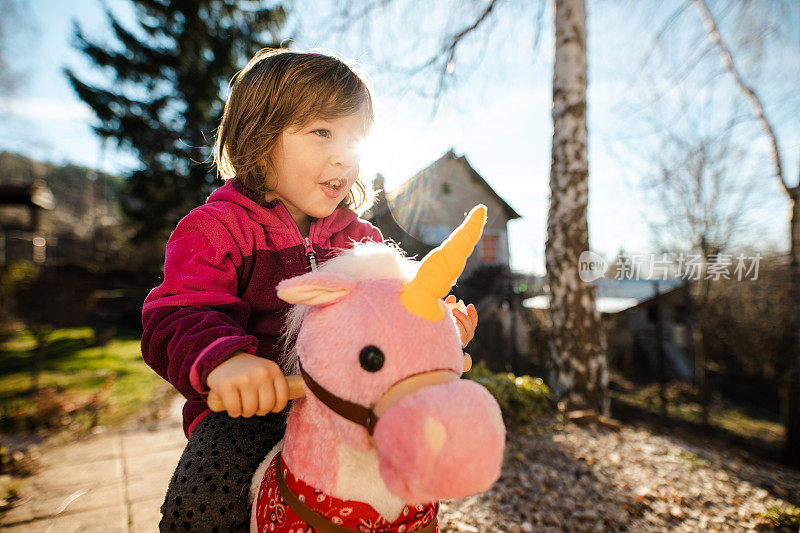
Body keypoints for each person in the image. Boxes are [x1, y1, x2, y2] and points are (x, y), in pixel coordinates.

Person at [141, 48, 479, 532]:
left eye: (355, 138)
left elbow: (391, 315)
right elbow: (177, 313)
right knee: (200, 504)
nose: (345, 154)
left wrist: (435, 331)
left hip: (350, 401)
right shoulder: (217, 229)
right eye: (322, 132)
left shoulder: (361, 242)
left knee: (416, 482)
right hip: (251, 416)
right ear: (259, 142)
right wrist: (224, 361)